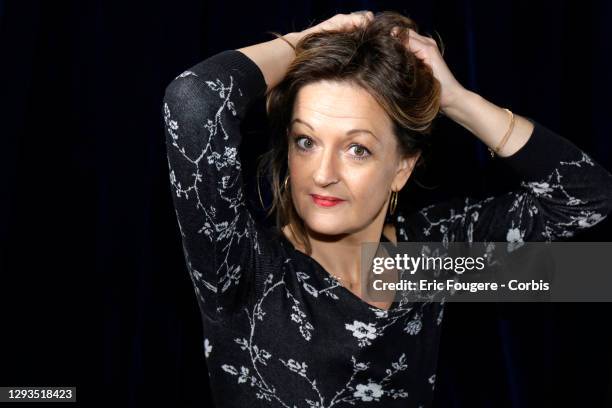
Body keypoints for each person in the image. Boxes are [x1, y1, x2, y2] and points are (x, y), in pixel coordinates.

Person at [162, 10, 612, 407]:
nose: (323, 173)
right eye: (306, 141)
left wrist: (455, 99)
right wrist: (307, 40)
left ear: (401, 167)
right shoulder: (241, 270)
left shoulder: (427, 263)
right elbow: (193, 102)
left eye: (357, 149)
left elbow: (587, 197)